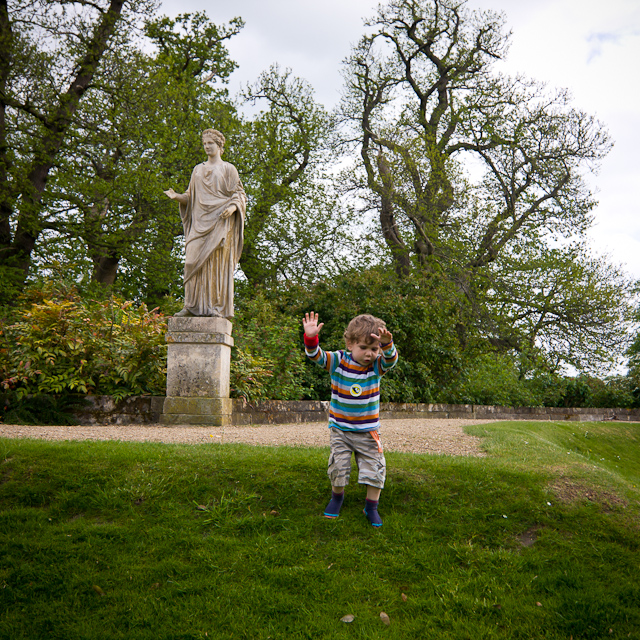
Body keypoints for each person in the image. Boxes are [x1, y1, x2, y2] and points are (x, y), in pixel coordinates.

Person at [302, 311, 398, 527]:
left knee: (375, 469)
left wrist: (387, 344)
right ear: (350, 344)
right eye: (363, 348)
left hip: (368, 432)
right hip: (341, 431)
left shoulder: (376, 367)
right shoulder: (338, 361)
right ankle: (337, 498)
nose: (369, 354)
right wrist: (310, 337)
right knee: (339, 467)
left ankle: (371, 507)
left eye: (374, 349)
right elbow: (315, 355)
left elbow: (391, 360)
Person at [164, 129, 246, 318]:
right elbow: (191, 197)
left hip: (220, 222)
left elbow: (239, 194)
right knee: (191, 262)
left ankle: (214, 308)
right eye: (204, 144)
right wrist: (177, 197)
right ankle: (190, 306)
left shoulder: (228, 169)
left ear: (219, 145)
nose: (207, 146)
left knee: (215, 266)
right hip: (199, 224)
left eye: (210, 143)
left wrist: (233, 208)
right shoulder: (197, 169)